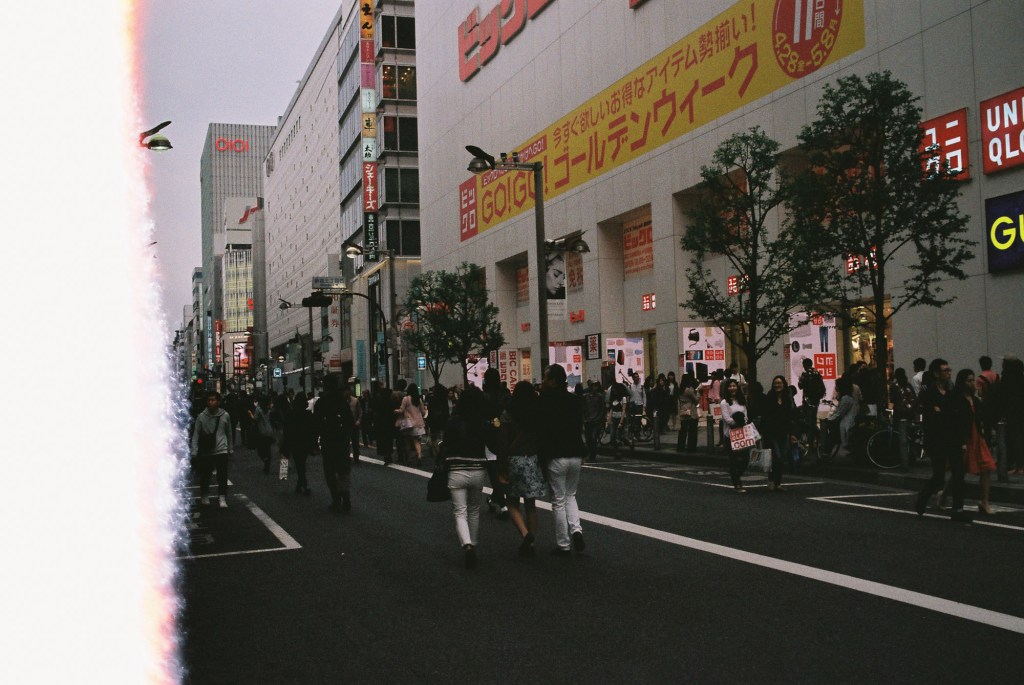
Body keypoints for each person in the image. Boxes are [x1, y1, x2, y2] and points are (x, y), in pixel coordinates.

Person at [537, 363, 588, 555]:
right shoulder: (574, 400)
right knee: (570, 495)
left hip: (556, 455)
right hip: (575, 453)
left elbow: (542, 432)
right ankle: (576, 530)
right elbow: (579, 427)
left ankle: (564, 544)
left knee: (558, 500)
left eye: (545, 377)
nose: (542, 381)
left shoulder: (544, 401)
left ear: (553, 381)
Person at [915, 359, 970, 521]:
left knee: (958, 473)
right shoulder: (929, 392)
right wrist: (941, 413)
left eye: (949, 370)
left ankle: (958, 510)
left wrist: (961, 439)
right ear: (936, 373)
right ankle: (923, 498)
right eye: (945, 370)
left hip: (953, 438)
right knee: (939, 476)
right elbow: (932, 416)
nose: (949, 373)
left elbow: (956, 415)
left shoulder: (952, 392)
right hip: (936, 439)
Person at [499, 381, 549, 557]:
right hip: (533, 459)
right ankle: (532, 541)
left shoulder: (507, 414)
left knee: (512, 502)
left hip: (514, 460)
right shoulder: (536, 414)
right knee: (530, 504)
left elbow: (503, 443)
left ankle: (525, 534)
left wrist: (501, 467)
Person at [443, 385, 490, 568]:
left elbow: (446, 443)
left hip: (457, 469)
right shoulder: (482, 422)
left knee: (460, 511)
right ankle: (474, 543)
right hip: (478, 469)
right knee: (474, 509)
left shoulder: (453, 422)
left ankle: (467, 545)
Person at [954, 369, 997, 515]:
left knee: (987, 467)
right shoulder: (957, 400)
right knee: (959, 471)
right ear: (962, 383)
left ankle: (985, 502)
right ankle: (944, 494)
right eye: (969, 380)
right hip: (965, 439)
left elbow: (983, 416)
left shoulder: (975, 400)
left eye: (973, 380)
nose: (972, 383)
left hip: (978, 437)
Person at [313, 375, 356, 513]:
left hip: (328, 440)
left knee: (330, 470)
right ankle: (346, 495)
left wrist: (315, 442)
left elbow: (316, 423)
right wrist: (346, 433)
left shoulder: (322, 402)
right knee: (343, 470)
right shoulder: (342, 401)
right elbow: (350, 421)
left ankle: (336, 499)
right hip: (342, 440)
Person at [189, 391, 234, 508]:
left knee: (222, 475)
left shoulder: (225, 415)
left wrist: (230, 448)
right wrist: (194, 450)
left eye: (213, 400)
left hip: (221, 449)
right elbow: (196, 434)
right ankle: (204, 494)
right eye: (209, 400)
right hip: (206, 450)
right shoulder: (201, 417)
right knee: (205, 474)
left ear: (218, 402)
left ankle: (222, 497)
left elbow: (229, 433)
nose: (210, 402)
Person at [761, 376, 797, 492]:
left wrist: (793, 433)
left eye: (779, 383)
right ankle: (771, 480)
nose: (777, 385)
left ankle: (778, 483)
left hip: (784, 432)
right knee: (777, 456)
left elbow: (792, 416)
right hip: (771, 433)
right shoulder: (769, 398)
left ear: (784, 384)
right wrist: (763, 432)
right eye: (775, 383)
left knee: (781, 458)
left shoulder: (788, 398)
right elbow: (765, 416)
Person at [720, 379, 750, 493]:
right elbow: (726, 418)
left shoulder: (741, 400)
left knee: (746, 458)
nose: (732, 388)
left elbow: (746, 415)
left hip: (742, 433)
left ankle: (737, 476)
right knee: (733, 460)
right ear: (727, 388)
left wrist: (744, 422)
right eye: (730, 386)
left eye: (734, 386)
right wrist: (736, 423)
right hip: (730, 434)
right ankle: (737, 483)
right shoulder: (724, 402)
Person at [282, 391, 315, 495]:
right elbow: (312, 429)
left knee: (299, 463)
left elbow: (287, 429)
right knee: (302, 463)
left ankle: (301, 484)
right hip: (305, 441)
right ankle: (302, 484)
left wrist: (285, 443)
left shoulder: (291, 414)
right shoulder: (307, 414)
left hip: (294, 441)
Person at [396, 382, 427, 467]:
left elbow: (401, 410)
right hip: (418, 423)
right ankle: (419, 457)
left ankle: (408, 459)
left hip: (409, 424)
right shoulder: (418, 399)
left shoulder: (406, 399)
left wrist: (395, 411)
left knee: (407, 442)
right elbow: (423, 412)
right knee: (417, 441)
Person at [828, 377, 859, 460]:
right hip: (848, 422)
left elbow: (839, 413)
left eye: (837, 385)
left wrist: (829, 420)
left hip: (847, 424)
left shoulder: (846, 398)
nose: (835, 387)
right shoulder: (847, 397)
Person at [249, 396, 275, 474]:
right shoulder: (270, 410)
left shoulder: (259, 409)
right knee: (268, 449)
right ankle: (282, 473)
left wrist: (250, 414)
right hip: (270, 431)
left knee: (260, 450)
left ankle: (266, 461)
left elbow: (255, 419)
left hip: (262, 432)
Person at [373, 383, 397, 464]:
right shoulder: (390, 402)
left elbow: (375, 412)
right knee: (389, 440)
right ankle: (389, 455)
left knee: (382, 440)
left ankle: (386, 456)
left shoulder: (378, 401)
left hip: (380, 423)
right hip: (389, 423)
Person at [582, 380, 605, 463]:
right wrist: (584, 419)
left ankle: (593, 455)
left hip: (596, 421)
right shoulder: (585, 396)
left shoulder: (600, 396)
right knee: (588, 438)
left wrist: (600, 419)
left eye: (596, 386)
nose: (595, 387)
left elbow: (602, 409)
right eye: (593, 385)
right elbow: (583, 408)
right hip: (588, 420)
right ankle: (590, 453)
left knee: (593, 437)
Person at [426, 383, 450, 462]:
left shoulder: (432, 399)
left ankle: (438, 454)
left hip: (434, 421)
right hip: (444, 420)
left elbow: (430, 411)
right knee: (443, 438)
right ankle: (442, 453)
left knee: (434, 438)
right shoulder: (444, 399)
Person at [675, 374, 699, 453]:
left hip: (683, 410)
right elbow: (696, 400)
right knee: (692, 431)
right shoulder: (688, 390)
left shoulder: (680, 390)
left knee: (683, 431)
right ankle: (691, 448)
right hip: (691, 411)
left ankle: (680, 447)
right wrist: (697, 392)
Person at [606, 380, 629, 458]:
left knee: (620, 436)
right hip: (614, 418)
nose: (614, 391)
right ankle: (616, 452)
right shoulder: (613, 399)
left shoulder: (623, 398)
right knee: (613, 435)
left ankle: (629, 443)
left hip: (621, 418)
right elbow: (611, 409)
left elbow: (623, 410)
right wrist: (608, 420)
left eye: (615, 390)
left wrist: (621, 422)